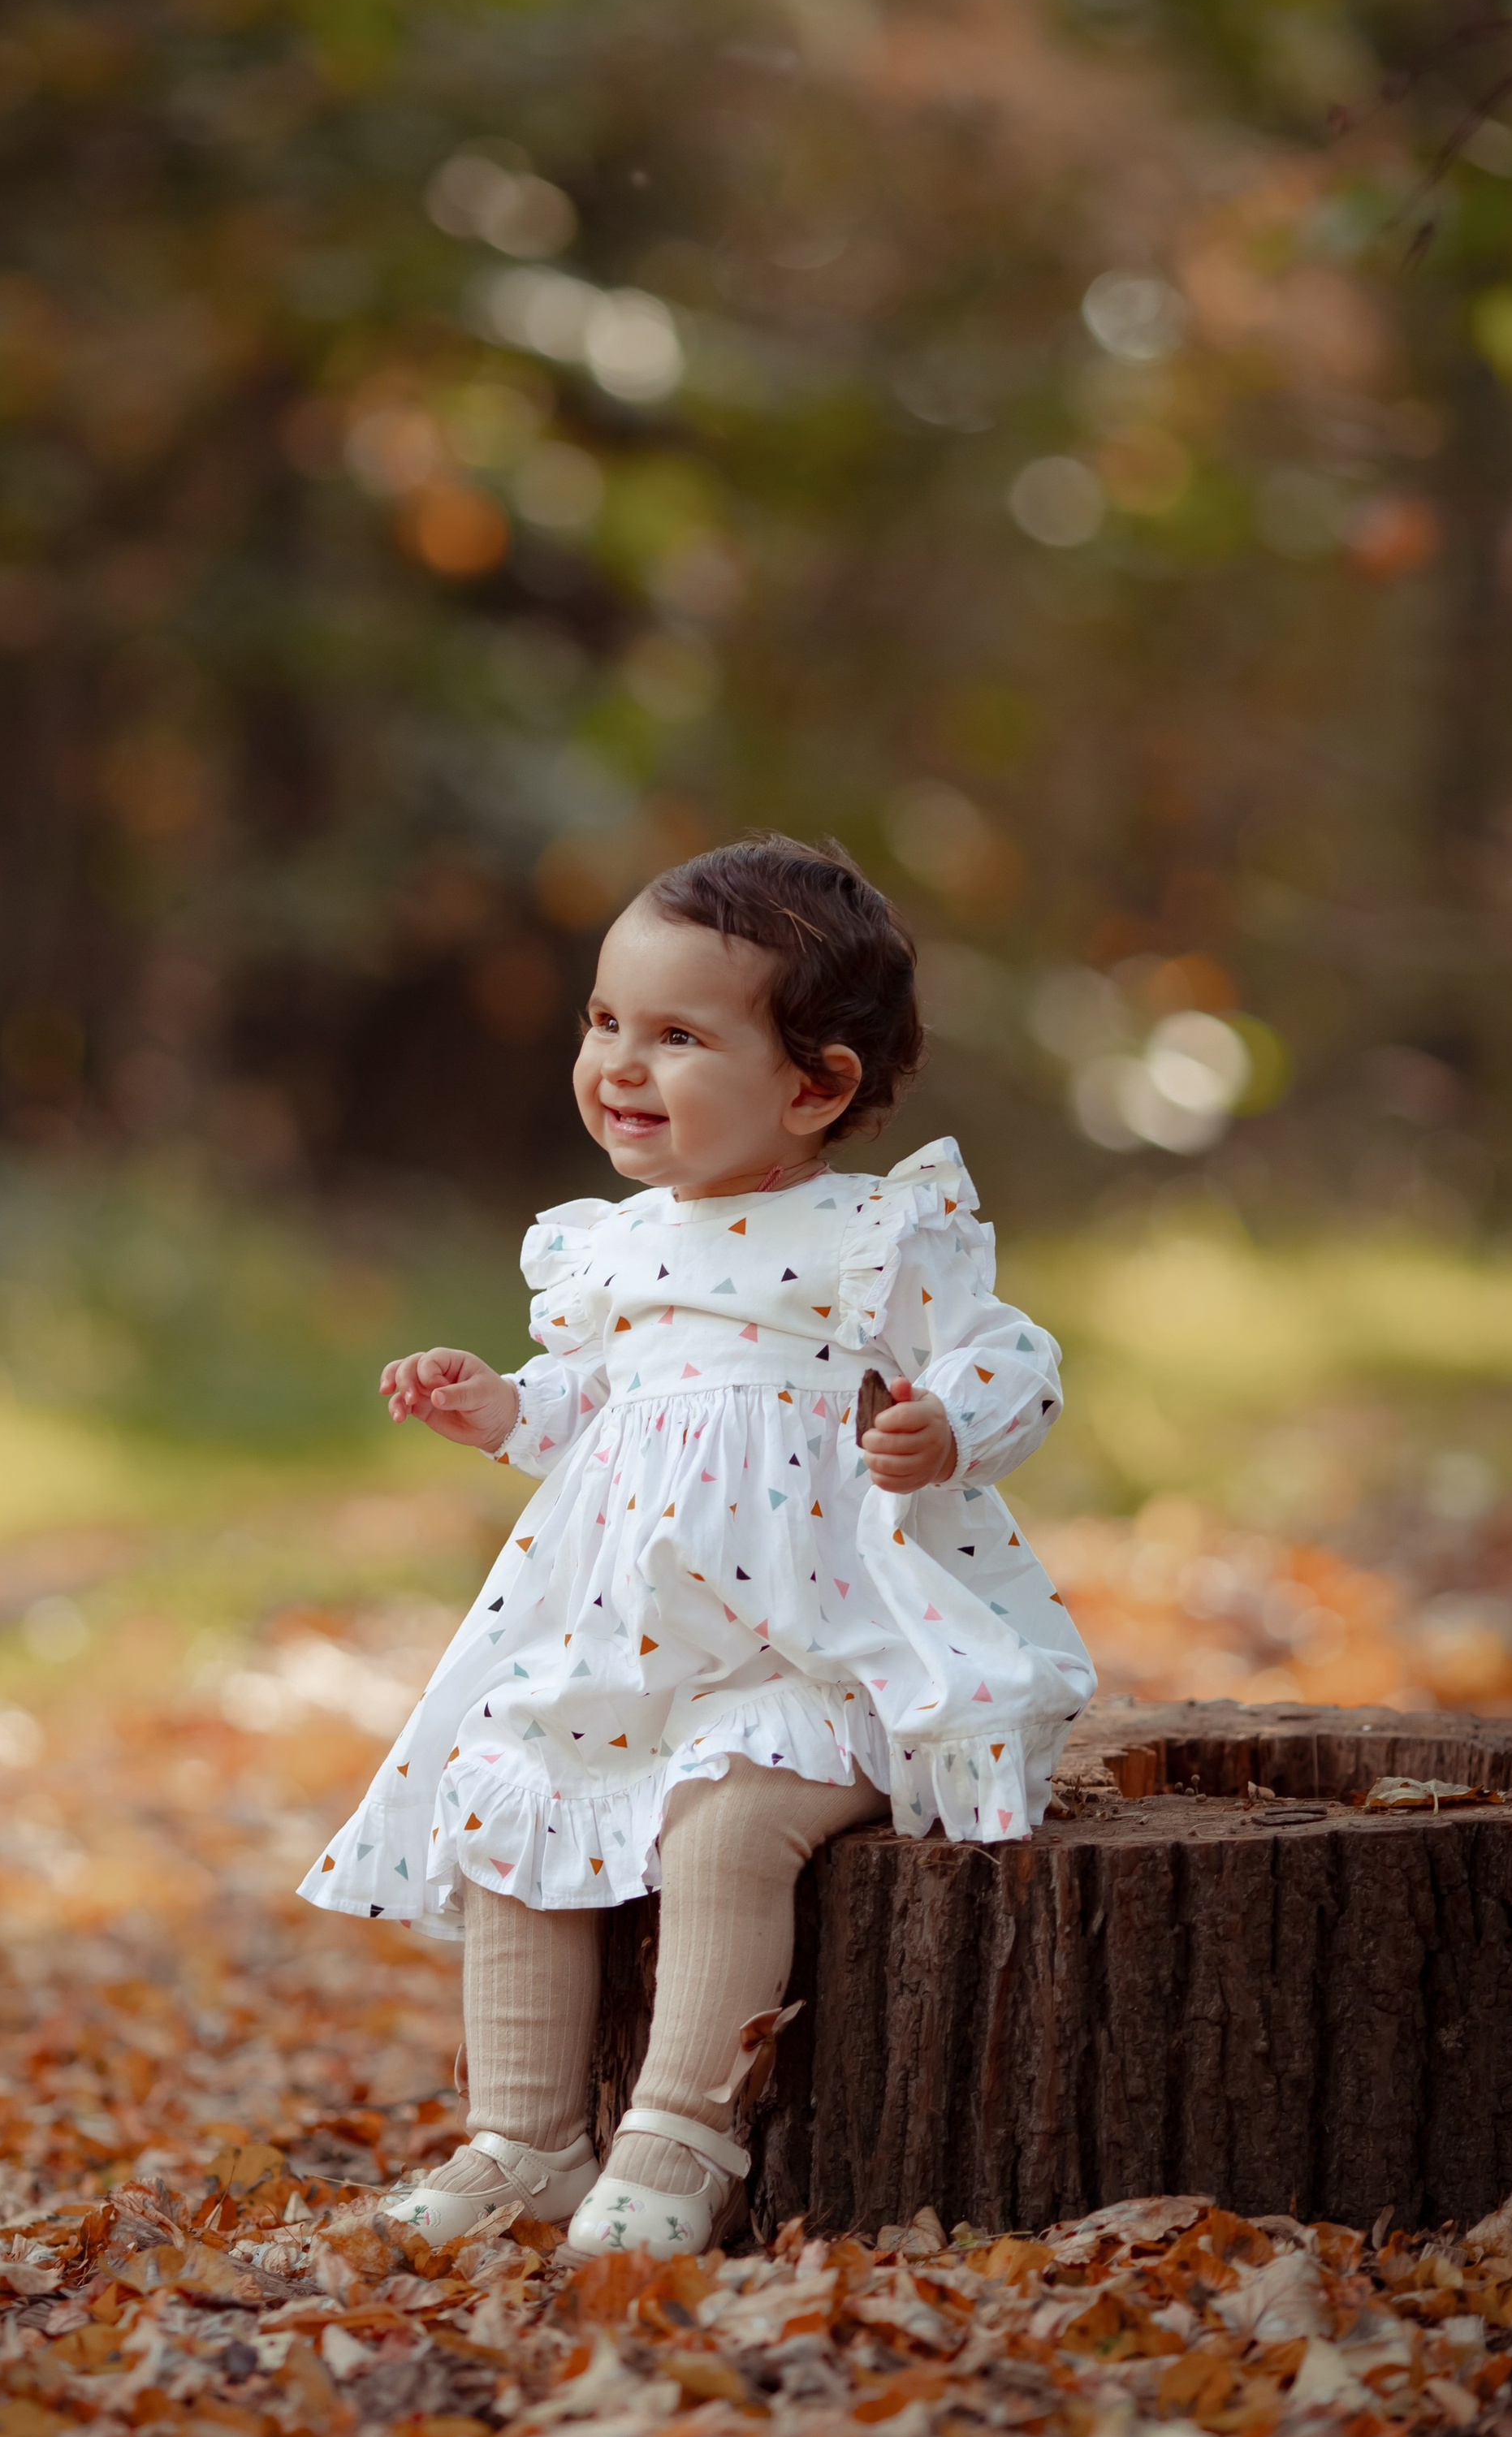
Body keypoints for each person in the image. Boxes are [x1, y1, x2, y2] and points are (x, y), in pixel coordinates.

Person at [299, 834, 1095, 2258]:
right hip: (631, 1650)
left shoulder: (870, 1231)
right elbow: (603, 1405)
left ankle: (677, 2136)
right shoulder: (613, 1245)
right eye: (605, 1019)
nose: (619, 1061)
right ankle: (524, 2143)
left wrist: (948, 1428)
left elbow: (1012, 1356)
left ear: (815, 1085)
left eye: (676, 1035)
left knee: (725, 1827)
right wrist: (502, 1406)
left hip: (820, 1649)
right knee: (513, 1796)